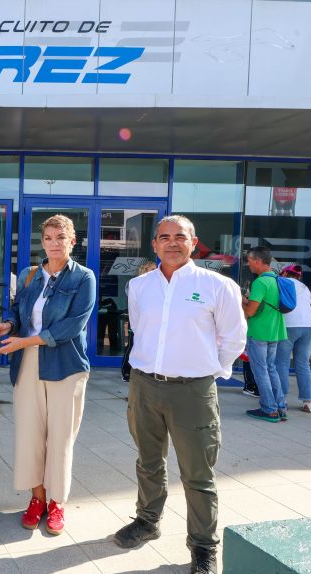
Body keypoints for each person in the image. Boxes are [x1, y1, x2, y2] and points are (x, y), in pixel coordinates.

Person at [114, 215, 245, 574]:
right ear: (154, 244)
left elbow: (233, 339)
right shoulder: (139, 286)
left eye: (180, 237)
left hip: (193, 390)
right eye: (164, 237)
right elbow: (140, 330)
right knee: (148, 461)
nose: (172, 242)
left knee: (198, 473)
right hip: (144, 385)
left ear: (193, 243)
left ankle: (203, 547)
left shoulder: (218, 286)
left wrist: (205, 371)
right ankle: (147, 521)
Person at [0, 214, 96, 536]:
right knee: (29, 434)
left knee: (60, 437)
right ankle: (36, 498)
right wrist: (9, 324)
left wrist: (26, 341)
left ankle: (56, 503)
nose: (54, 244)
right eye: (48, 238)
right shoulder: (30, 275)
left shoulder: (84, 278)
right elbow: (18, 311)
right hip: (27, 362)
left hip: (66, 365)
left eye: (60, 238)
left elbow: (73, 325)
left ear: (72, 242)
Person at [243, 246, 288, 423]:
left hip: (259, 331)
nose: (248, 264)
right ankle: (281, 407)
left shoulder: (260, 282)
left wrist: (240, 300)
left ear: (258, 261)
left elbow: (251, 311)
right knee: (271, 369)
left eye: (249, 261)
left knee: (260, 371)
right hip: (275, 330)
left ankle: (269, 409)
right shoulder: (277, 280)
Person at [274, 264, 311, 414]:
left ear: (285, 273)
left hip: (289, 325)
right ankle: (308, 402)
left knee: (282, 363)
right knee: (303, 364)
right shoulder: (305, 288)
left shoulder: (280, 283)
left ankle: (282, 400)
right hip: (310, 326)